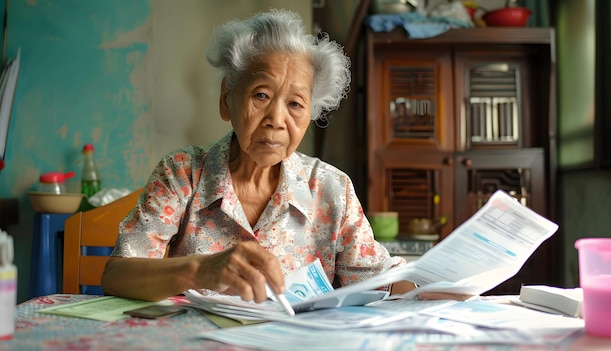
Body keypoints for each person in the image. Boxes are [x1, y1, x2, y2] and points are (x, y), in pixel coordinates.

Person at [101, 9, 419, 303]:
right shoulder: (183, 173)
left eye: (295, 104)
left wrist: (434, 287)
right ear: (227, 99)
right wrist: (199, 270)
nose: (276, 119)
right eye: (261, 95)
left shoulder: (331, 188)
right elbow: (118, 276)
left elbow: (379, 282)